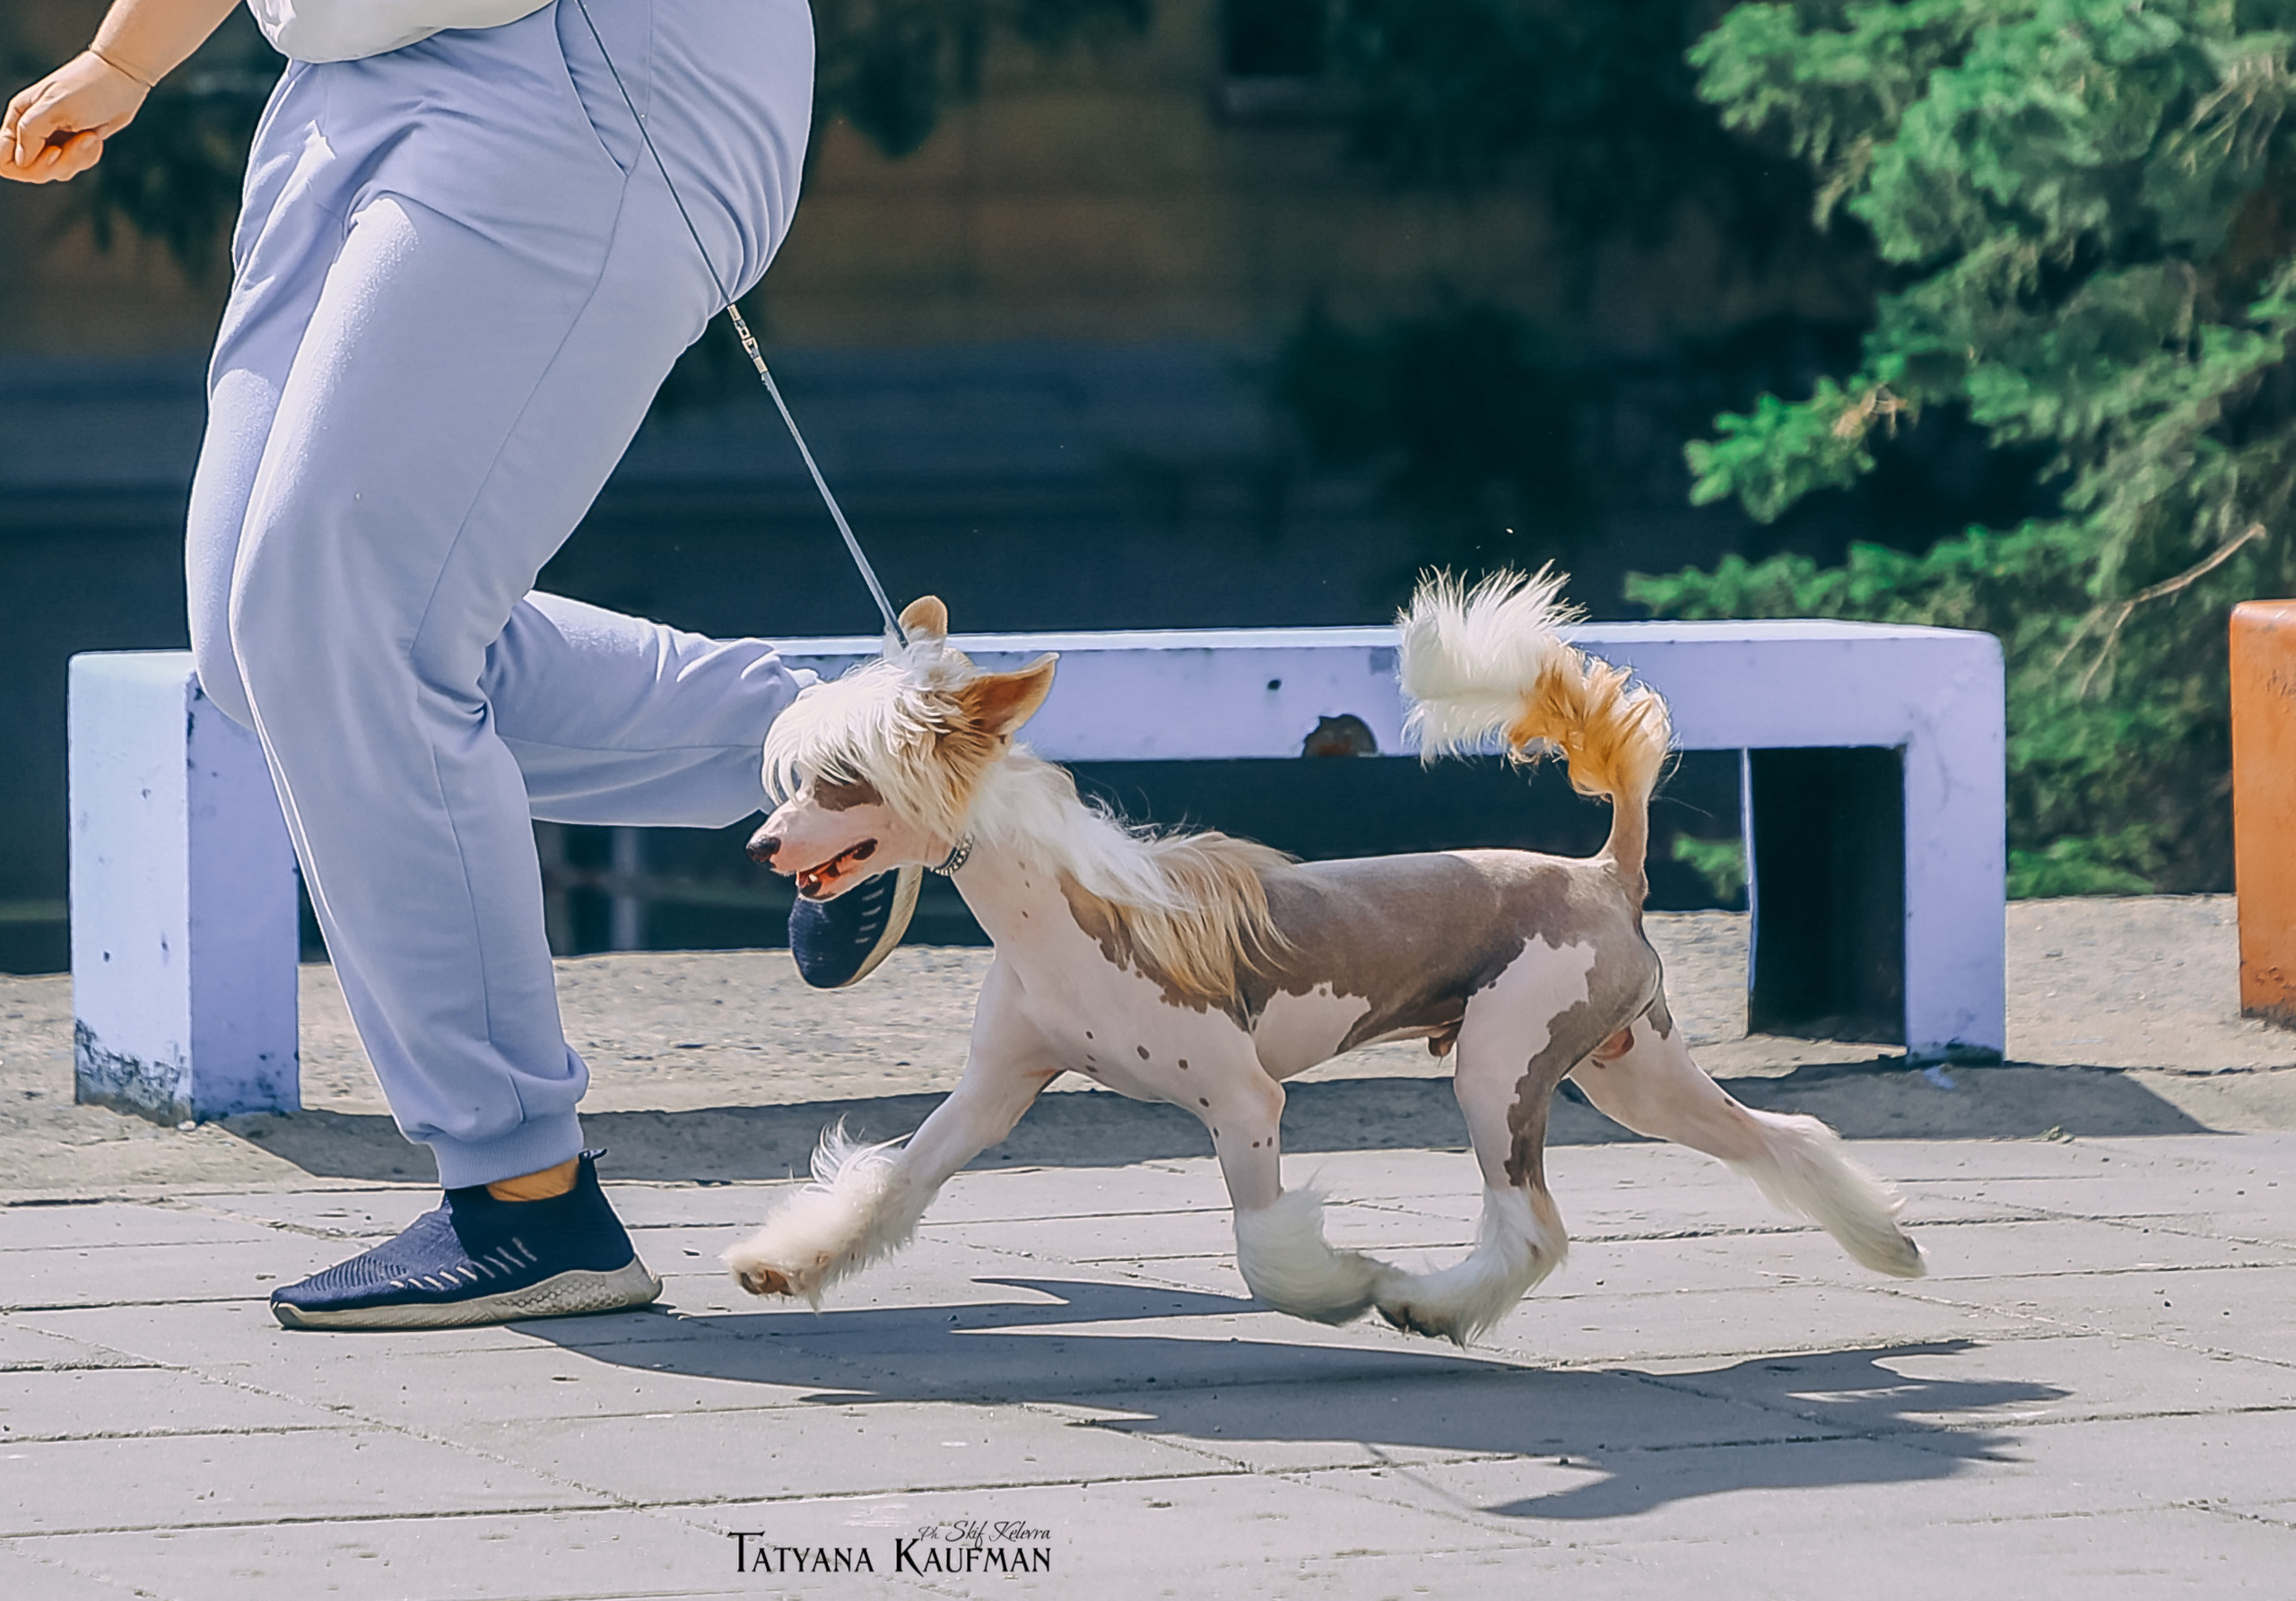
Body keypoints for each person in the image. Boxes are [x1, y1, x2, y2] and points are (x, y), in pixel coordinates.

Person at [3, 0, 917, 1330]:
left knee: (339, 608)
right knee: (265, 647)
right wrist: (127, 56)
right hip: (346, 71)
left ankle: (524, 1194)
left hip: (589, 62)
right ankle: (844, 753)